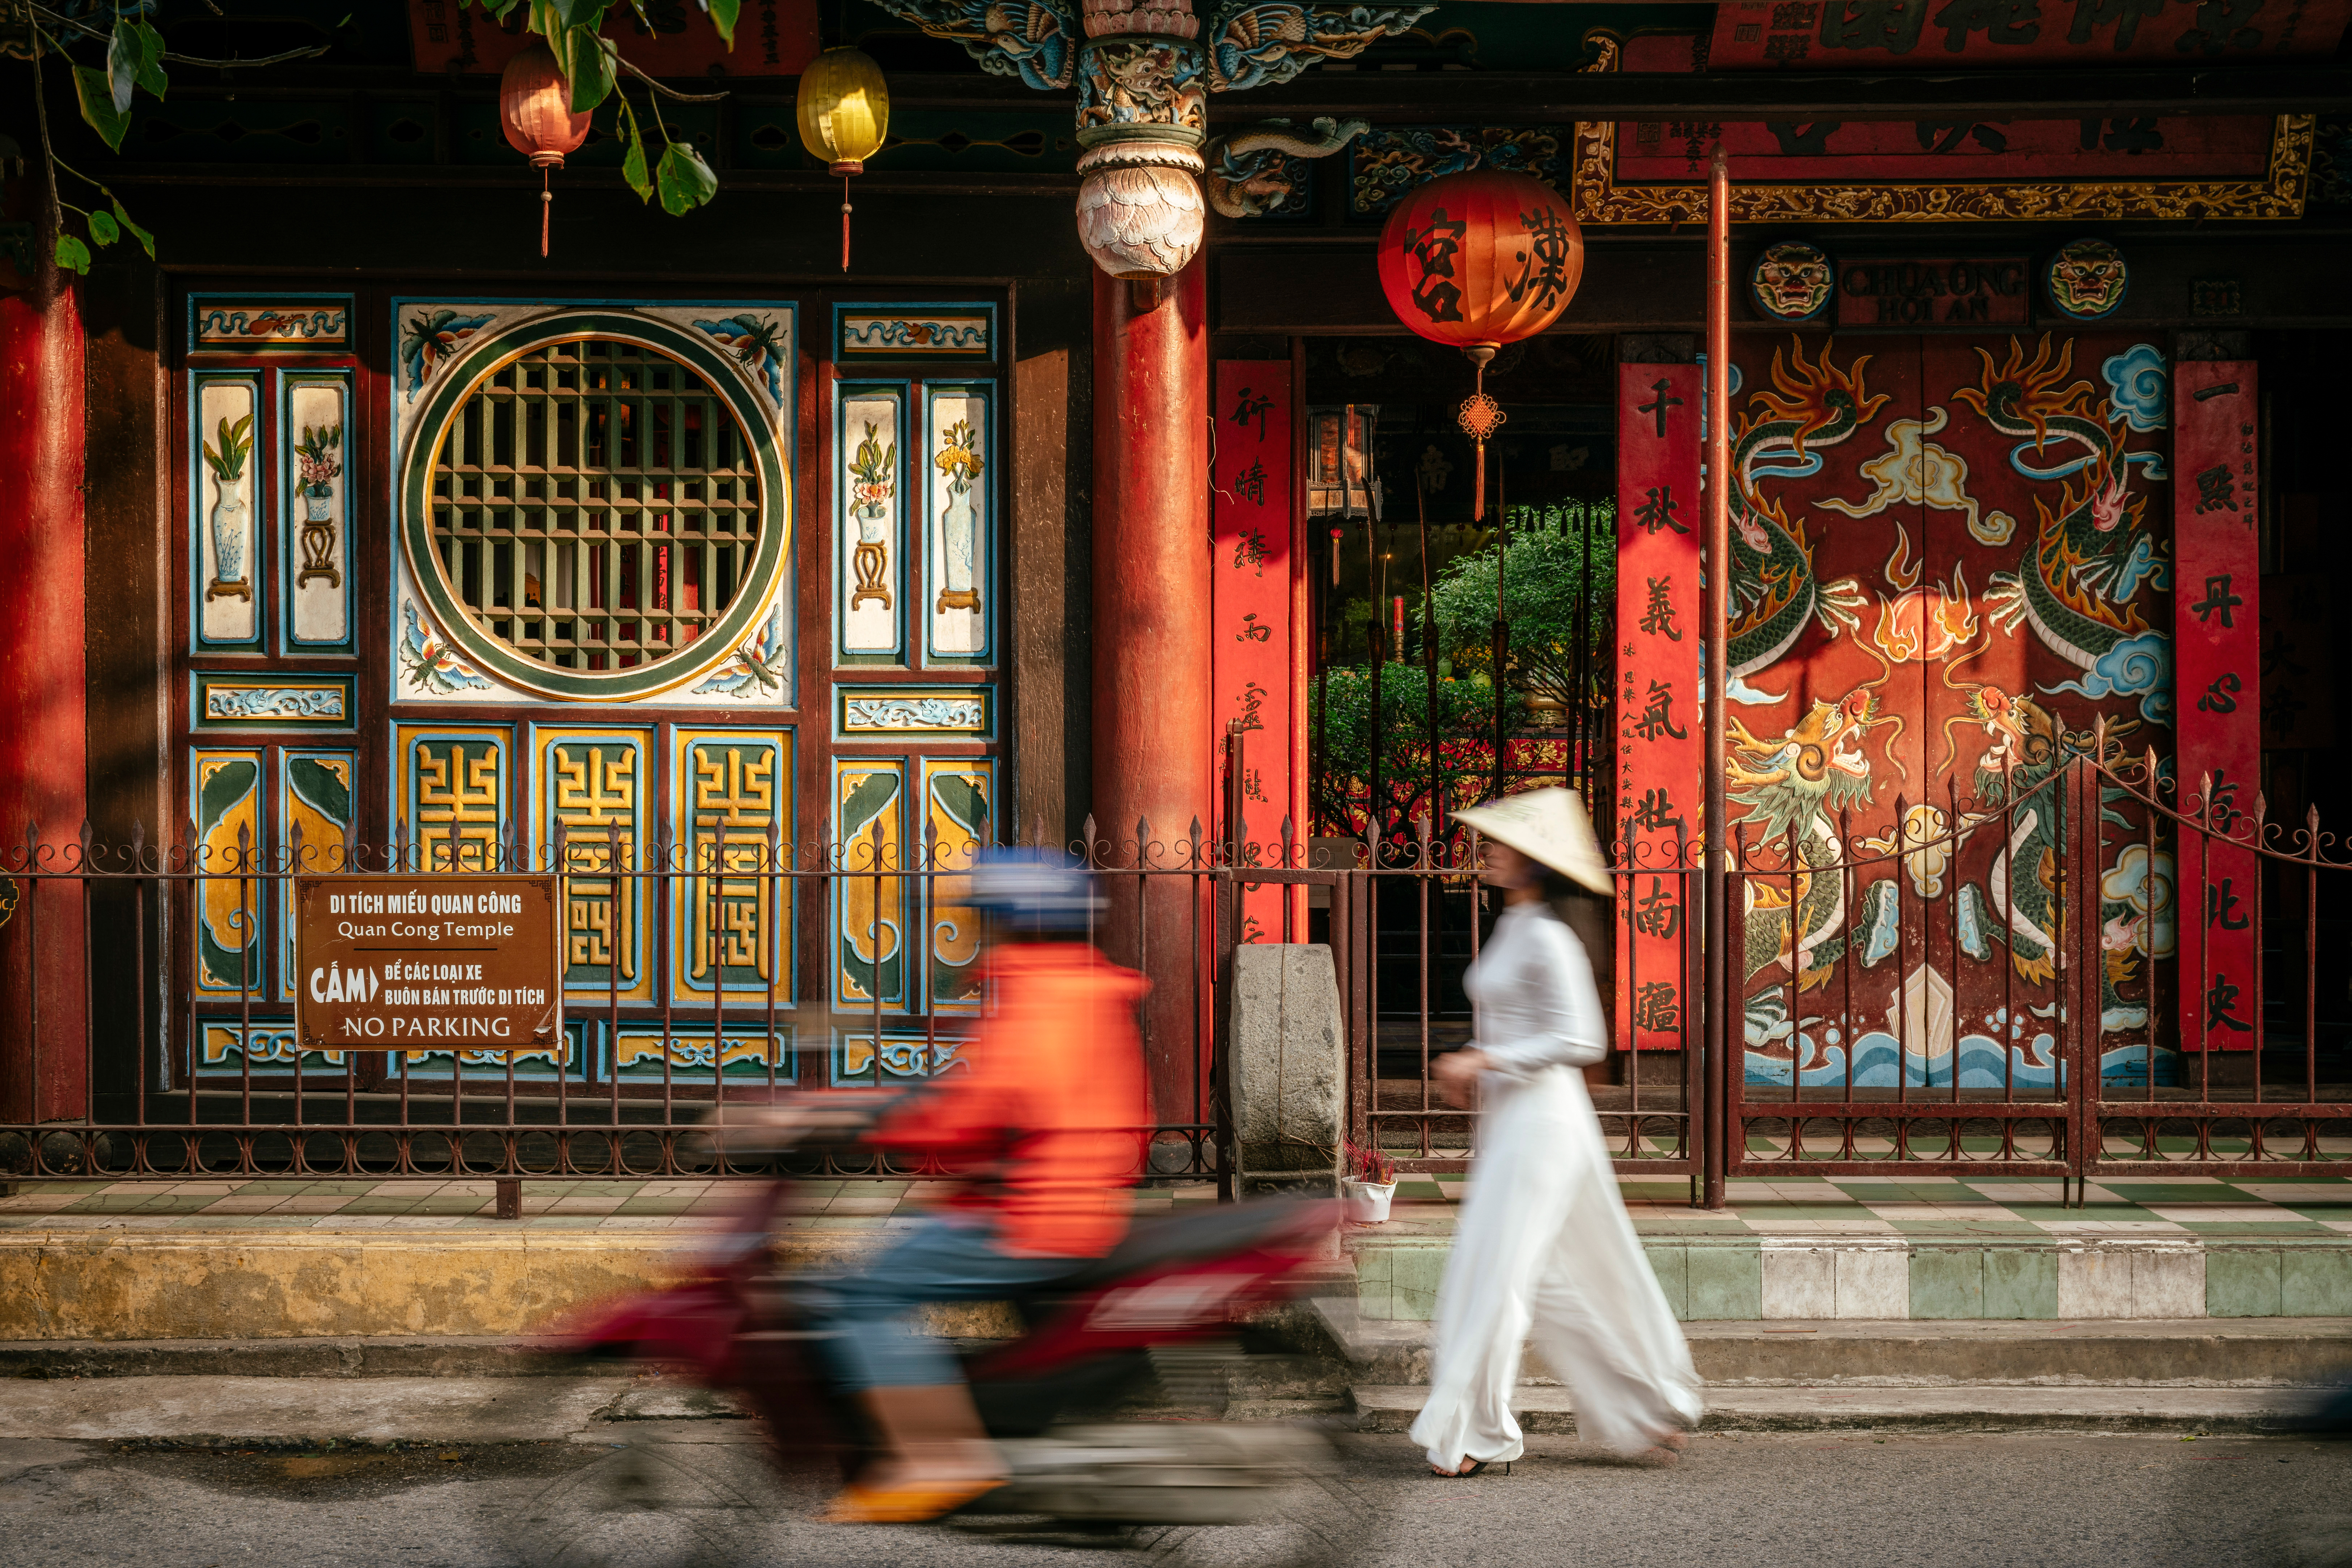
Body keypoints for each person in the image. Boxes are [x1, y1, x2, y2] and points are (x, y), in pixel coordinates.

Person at [808, 849, 1150, 1523]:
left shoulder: (1038, 995)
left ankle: (937, 1458)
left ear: (1009, 921)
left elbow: (981, 1106)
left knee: (859, 1293)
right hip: (1069, 1203)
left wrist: (877, 1125)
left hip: (1031, 1216)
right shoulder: (1086, 987)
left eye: (984, 919)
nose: (978, 932)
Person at [1409, 787, 1701, 1477]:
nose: (1487, 849)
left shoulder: (1548, 935)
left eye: (1500, 842)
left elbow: (1581, 1036)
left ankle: (1479, 1432)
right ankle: (1641, 1406)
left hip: (1546, 1125)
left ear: (1534, 861)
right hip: (1513, 1122)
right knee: (1545, 1280)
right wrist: (1481, 1062)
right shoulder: (1512, 927)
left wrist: (1486, 1057)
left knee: (1500, 1273)